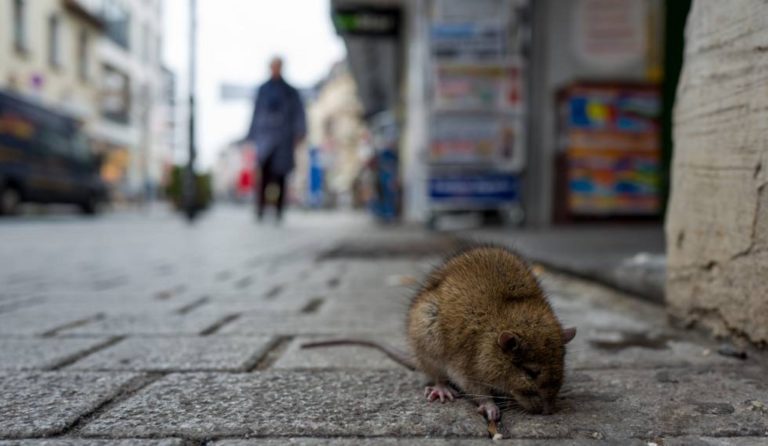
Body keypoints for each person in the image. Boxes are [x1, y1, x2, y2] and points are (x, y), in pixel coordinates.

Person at [246, 56, 306, 221]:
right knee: (264, 174)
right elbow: (255, 113)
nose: (275, 69)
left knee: (280, 175)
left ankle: (279, 210)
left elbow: (299, 113)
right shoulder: (263, 90)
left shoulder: (291, 91)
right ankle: (260, 208)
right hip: (265, 137)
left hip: (283, 138)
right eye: (273, 66)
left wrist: (299, 132)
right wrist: (251, 136)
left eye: (278, 66)